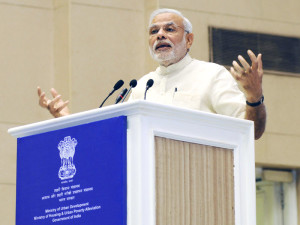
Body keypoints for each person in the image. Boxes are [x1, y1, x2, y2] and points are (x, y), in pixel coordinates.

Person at [37, 8, 266, 139]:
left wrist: (254, 98)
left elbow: (252, 132)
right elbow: (113, 136)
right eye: (154, 31)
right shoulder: (142, 85)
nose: (160, 35)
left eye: (169, 29)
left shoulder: (212, 75)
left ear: (189, 39)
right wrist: (67, 120)